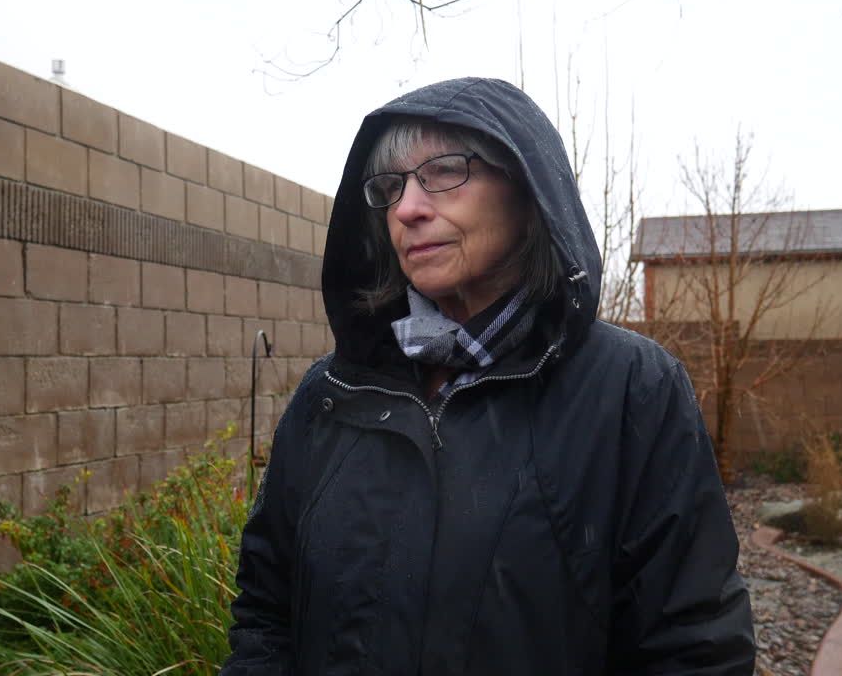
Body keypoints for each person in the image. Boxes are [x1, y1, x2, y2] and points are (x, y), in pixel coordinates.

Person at [221, 77, 755, 675]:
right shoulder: (332, 395)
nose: (408, 208)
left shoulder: (634, 390)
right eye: (390, 186)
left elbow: (694, 647)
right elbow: (266, 611)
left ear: (529, 191)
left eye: (445, 171)